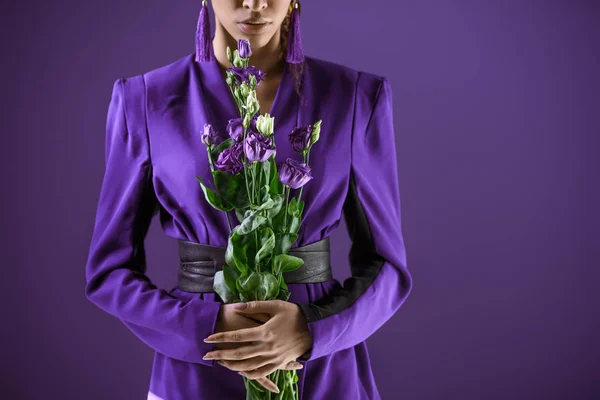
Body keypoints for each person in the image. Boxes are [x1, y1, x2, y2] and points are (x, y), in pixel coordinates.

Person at [84, 0, 413, 399]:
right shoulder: (146, 99)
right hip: (197, 367)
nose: (254, 3)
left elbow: (387, 268)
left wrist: (311, 329)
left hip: (321, 368)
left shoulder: (356, 97)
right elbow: (109, 272)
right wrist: (206, 326)